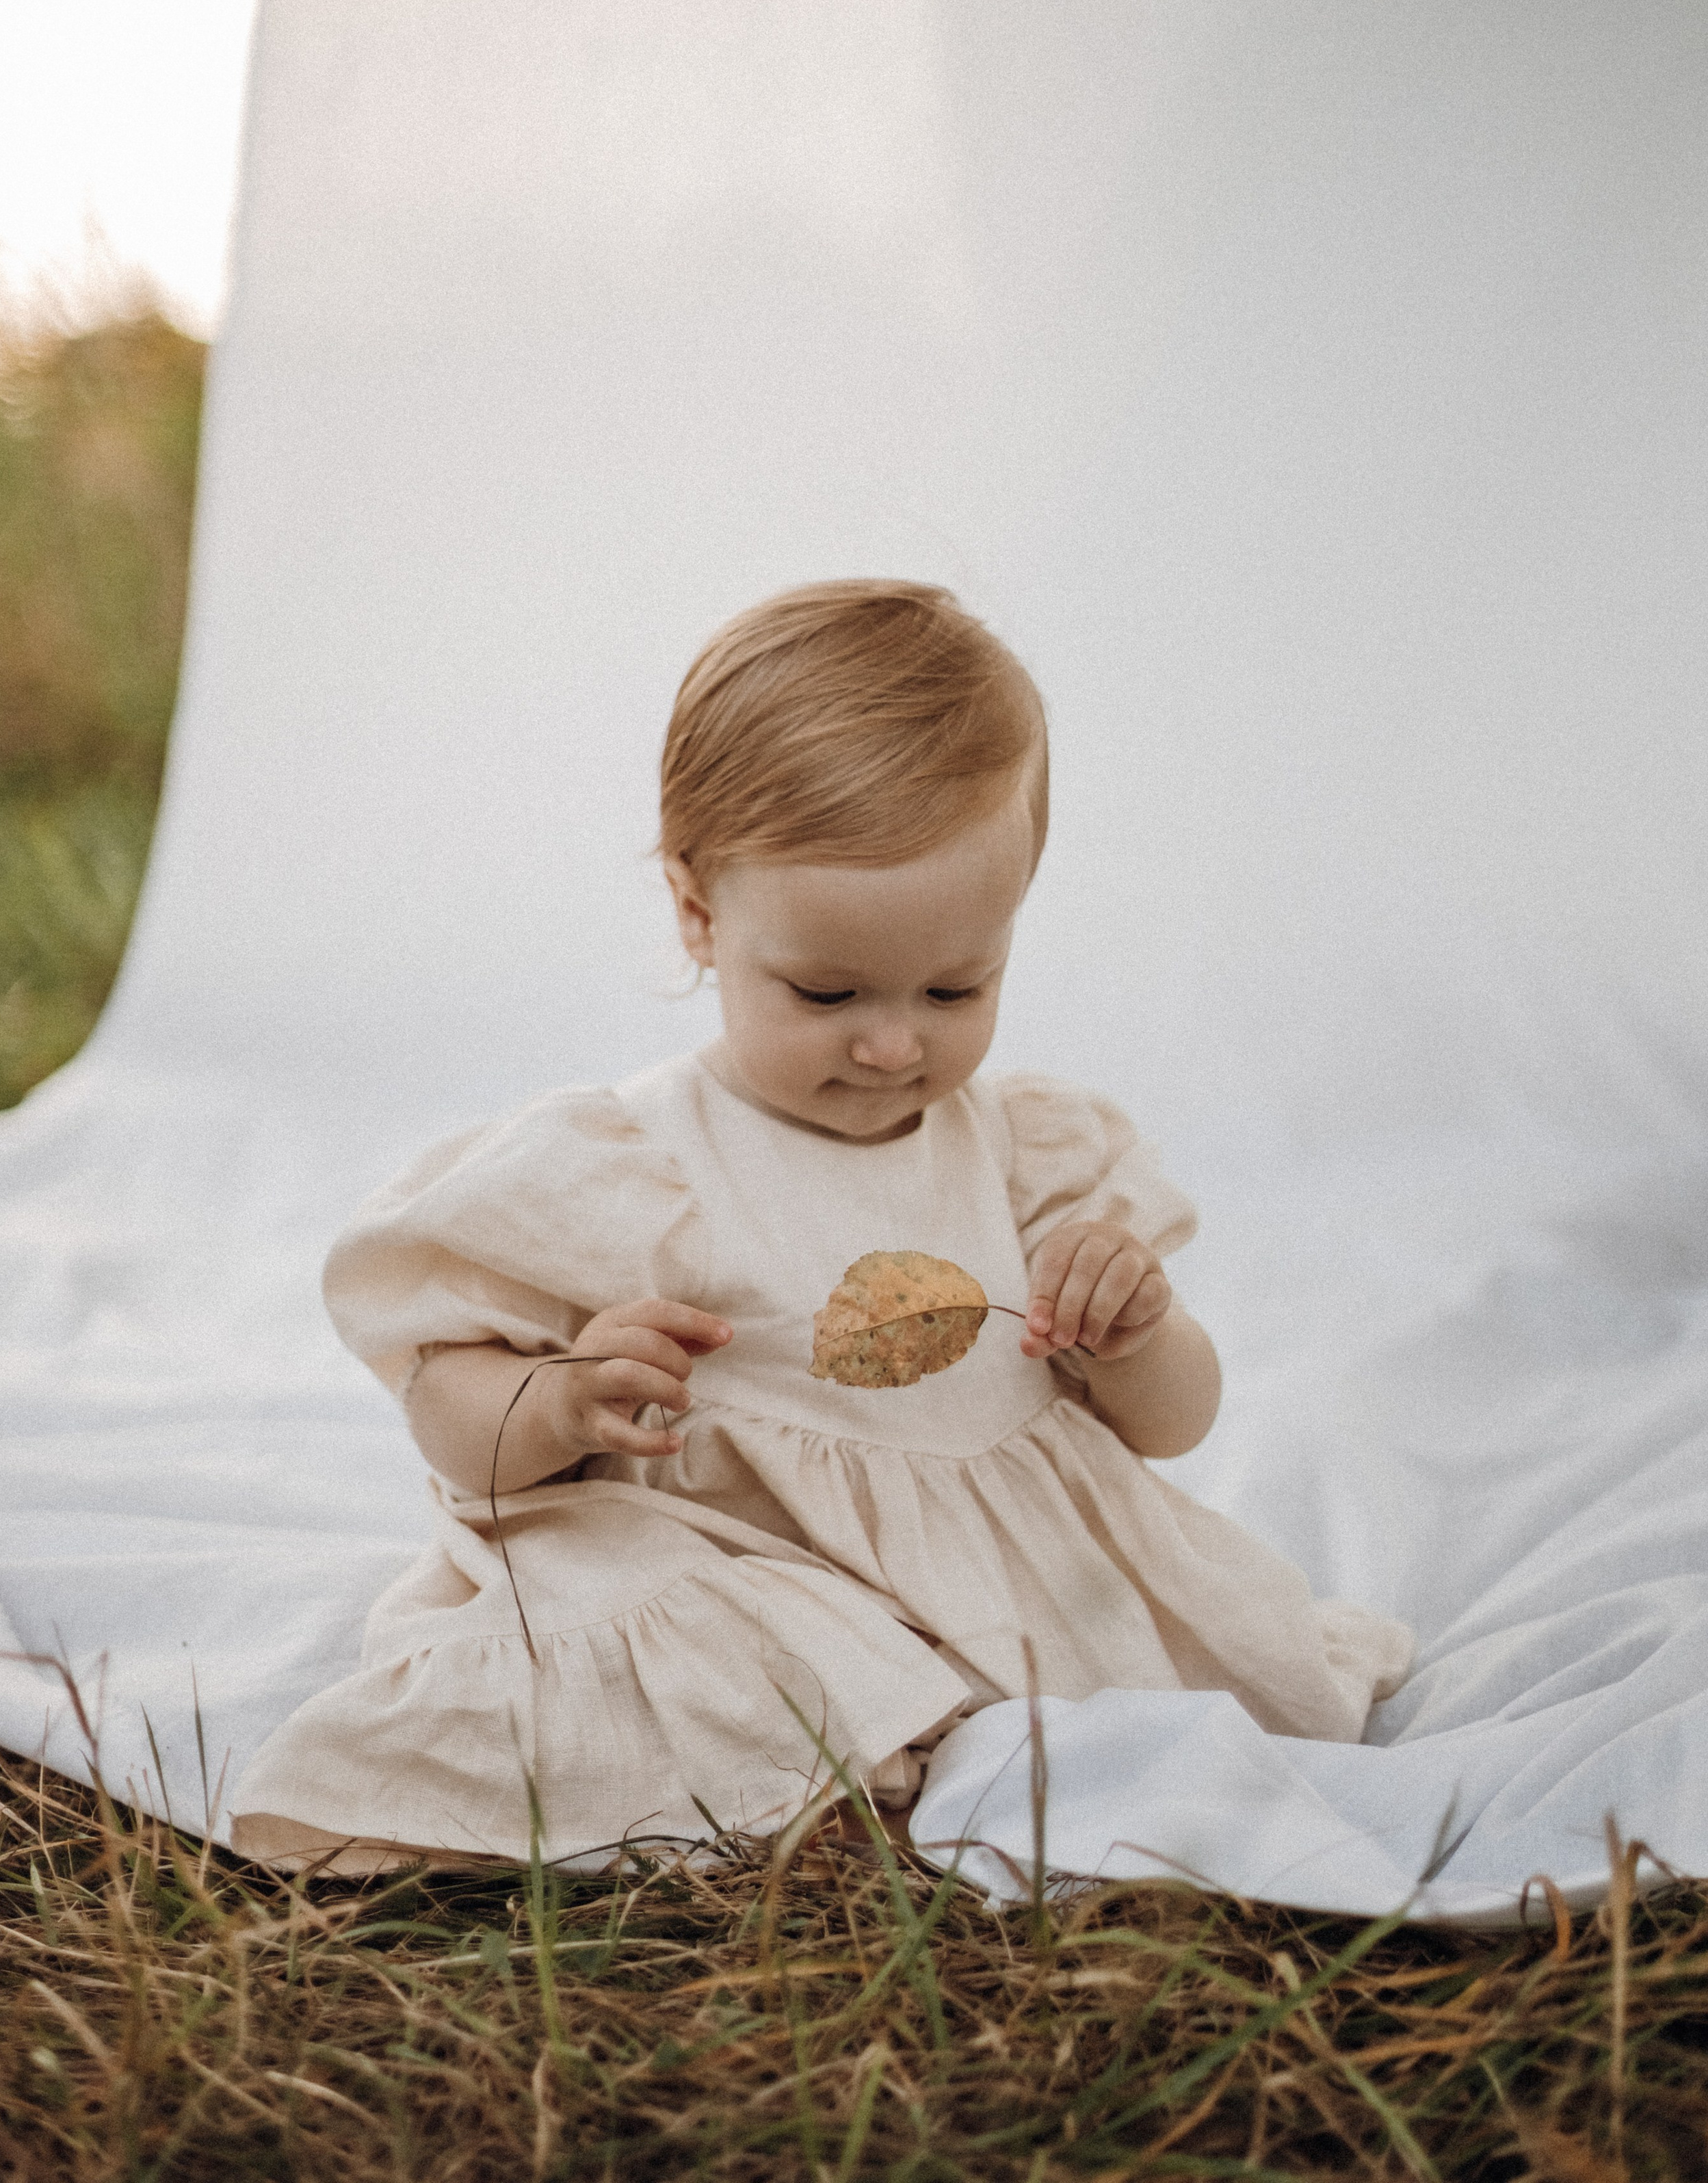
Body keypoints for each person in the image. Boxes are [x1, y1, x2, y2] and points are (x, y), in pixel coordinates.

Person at [233, 580, 1410, 1870]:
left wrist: (1134, 1330)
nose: (896, 1041)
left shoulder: (1030, 1159)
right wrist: (563, 1401)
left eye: (959, 984)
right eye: (827, 989)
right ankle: (807, 1748)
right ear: (699, 911)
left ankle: (892, 1742)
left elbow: (1175, 1425)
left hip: (998, 1579)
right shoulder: (629, 1170)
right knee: (623, 1611)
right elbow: (452, 1416)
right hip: (741, 1561)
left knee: (1153, 1691)